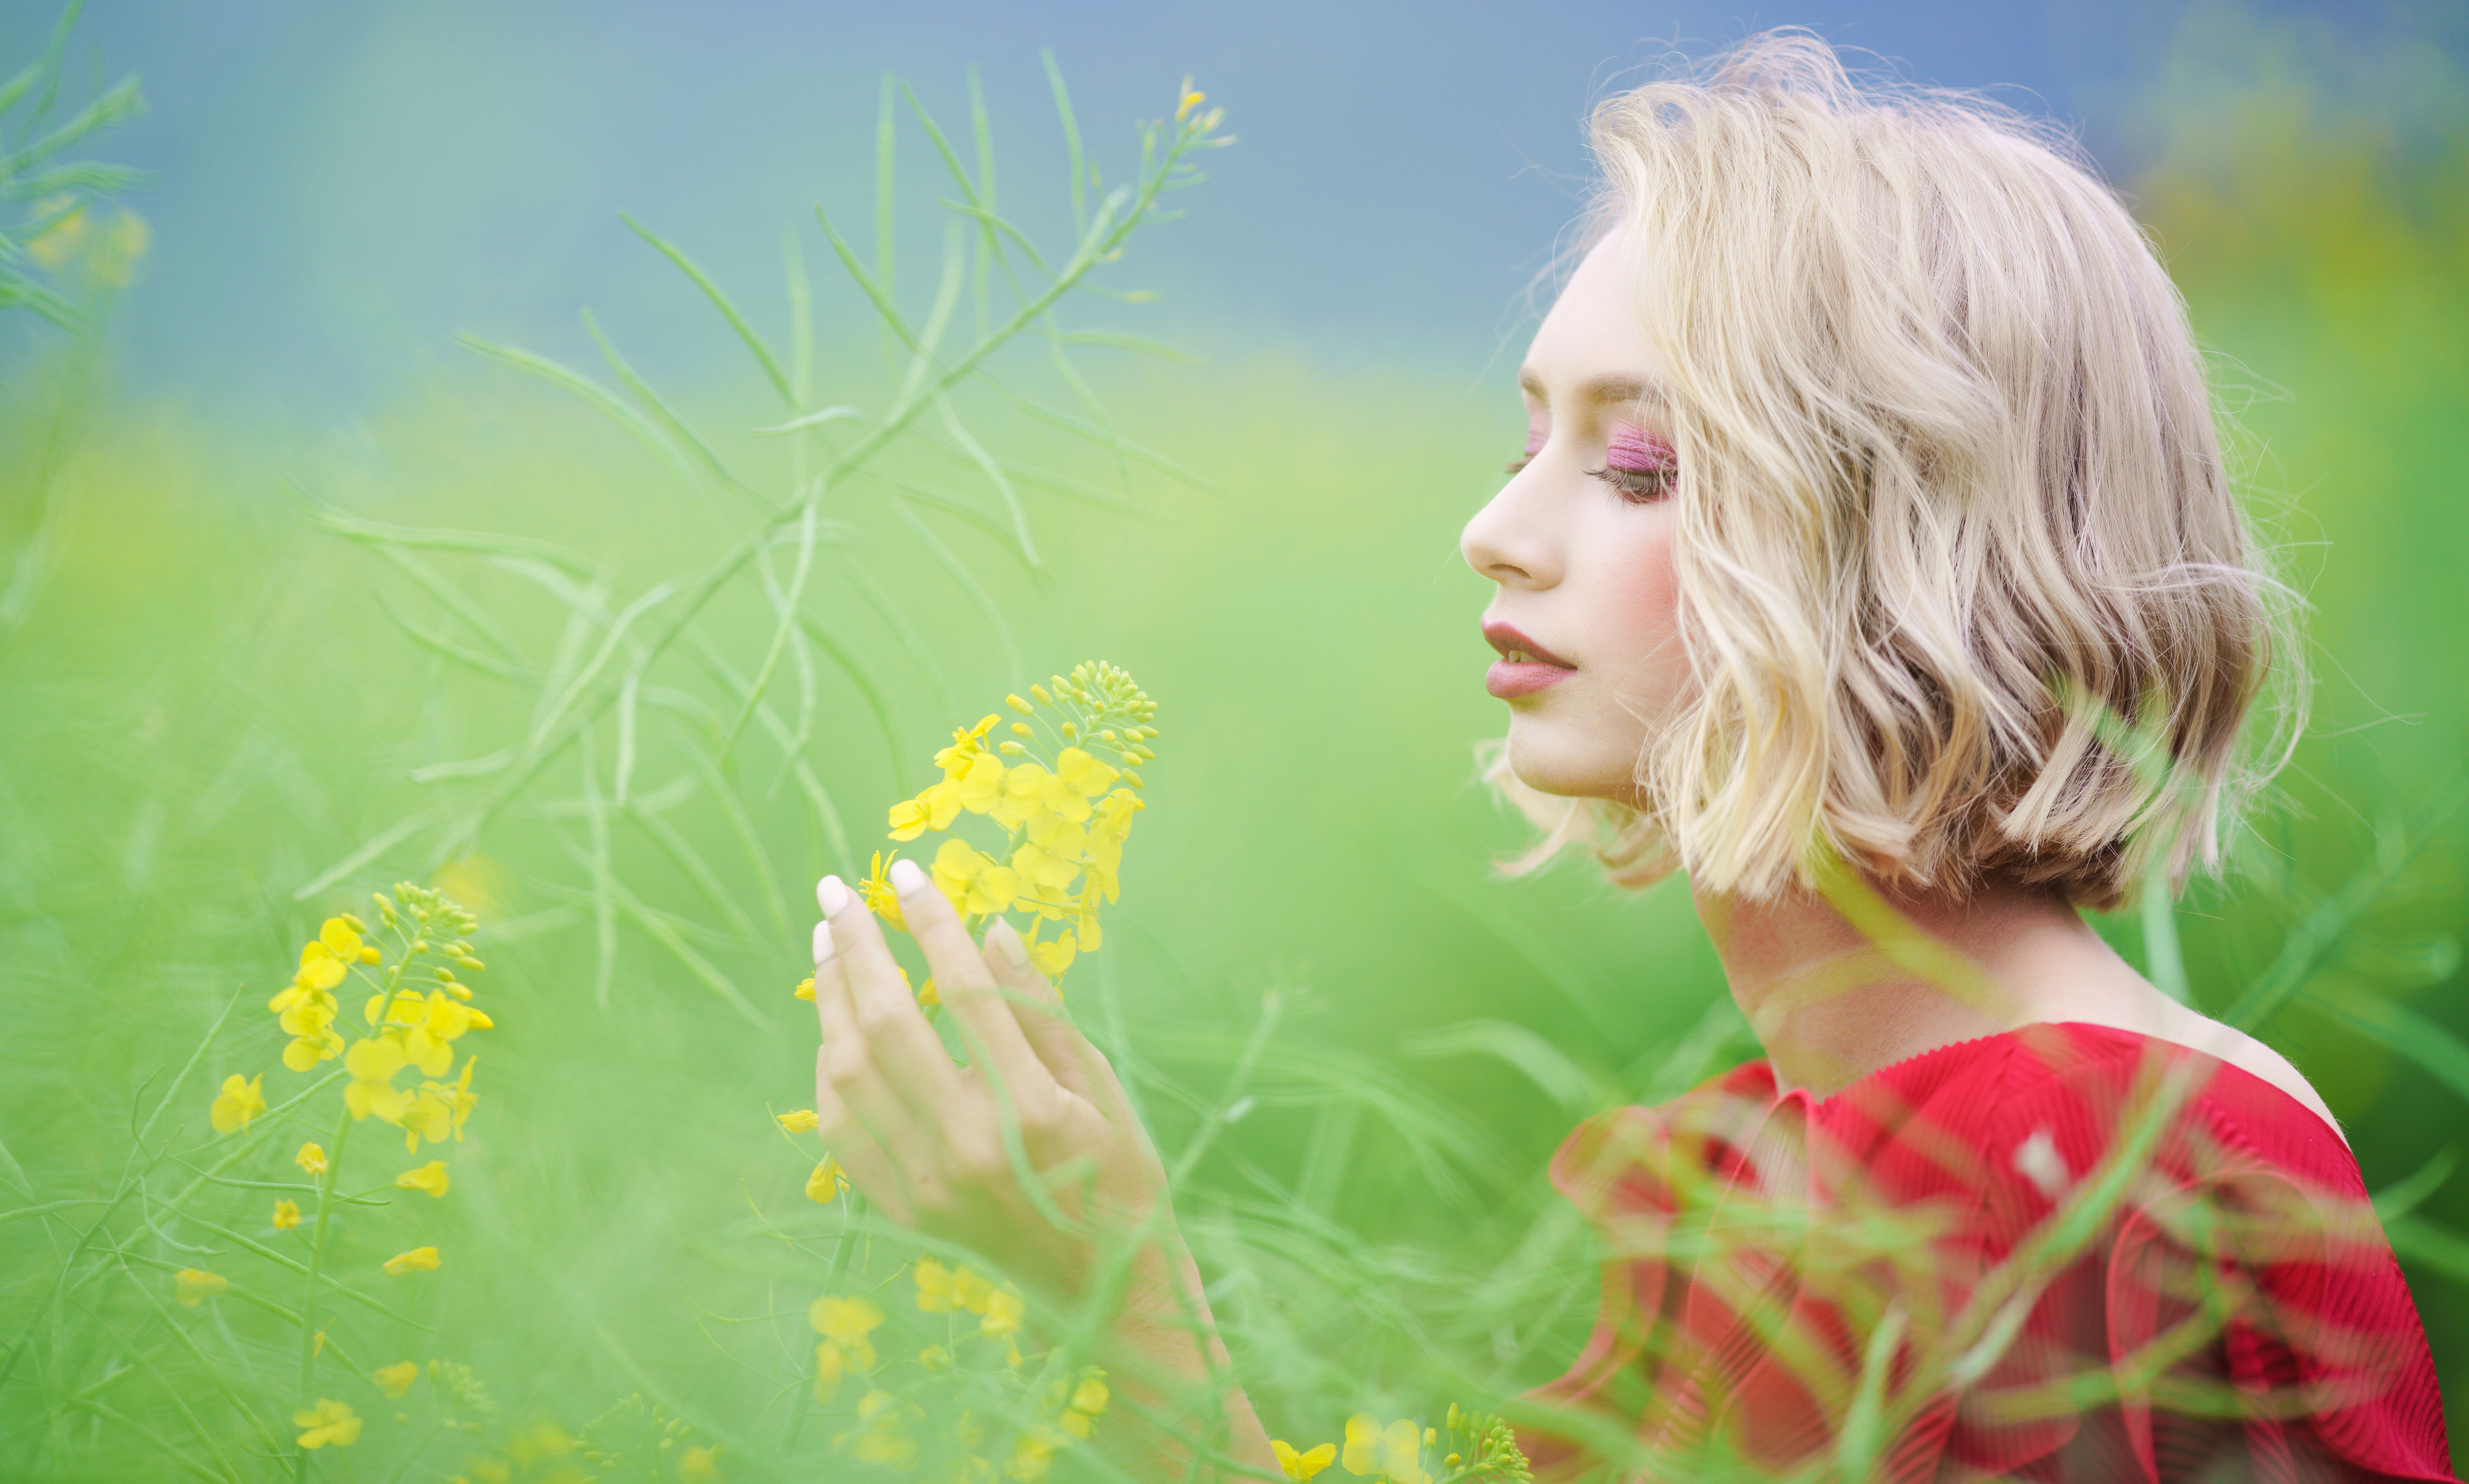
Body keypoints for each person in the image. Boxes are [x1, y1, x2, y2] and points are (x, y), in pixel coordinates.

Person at [802, 30, 2455, 1483]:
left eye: (1643, 462)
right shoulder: (1751, 1168)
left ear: (1910, 546)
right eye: (1532, 439)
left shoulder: (2115, 1158)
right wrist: (1100, 1274)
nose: (1492, 532)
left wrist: (1134, 1316)